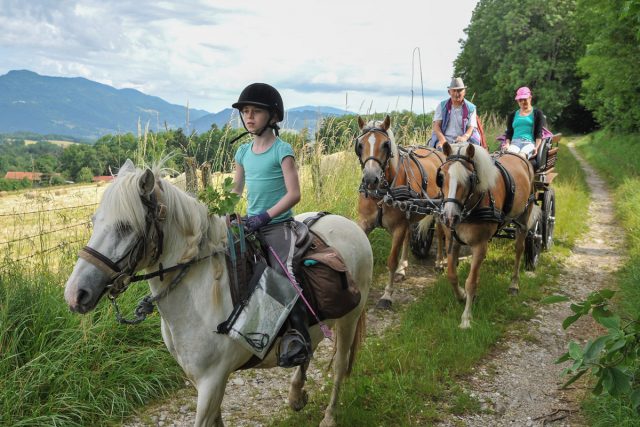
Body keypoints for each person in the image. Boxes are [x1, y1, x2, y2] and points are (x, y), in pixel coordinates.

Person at [231, 82, 312, 368]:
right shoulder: (242, 152)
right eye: (245, 112)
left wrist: (264, 216)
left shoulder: (282, 150)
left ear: (273, 117)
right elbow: (235, 191)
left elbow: (294, 194)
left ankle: (298, 336)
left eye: (256, 112)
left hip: (277, 225)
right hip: (249, 224)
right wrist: (223, 212)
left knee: (283, 271)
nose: (249, 117)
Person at [430, 77, 482, 149]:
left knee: (469, 154)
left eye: (459, 90)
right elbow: (436, 126)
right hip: (445, 139)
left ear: (464, 92)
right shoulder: (442, 106)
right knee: (438, 154)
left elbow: (471, 127)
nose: (457, 93)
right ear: (449, 92)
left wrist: (464, 138)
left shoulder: (471, 108)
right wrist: (443, 141)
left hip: (463, 140)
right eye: (454, 91)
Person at [503, 86, 546, 158]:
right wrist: (507, 144)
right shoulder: (512, 115)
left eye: (525, 99)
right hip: (514, 143)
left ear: (530, 98)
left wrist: (536, 147)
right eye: (520, 100)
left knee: (520, 157)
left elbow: (539, 133)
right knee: (508, 158)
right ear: (517, 101)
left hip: (529, 143)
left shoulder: (537, 113)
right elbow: (509, 133)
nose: (523, 102)